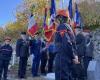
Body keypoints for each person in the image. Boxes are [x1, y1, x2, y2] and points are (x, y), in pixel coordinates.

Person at [54, 9, 79, 80]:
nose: (57, 20)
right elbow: (71, 44)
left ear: (61, 18)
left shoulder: (62, 26)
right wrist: (74, 55)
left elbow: (67, 42)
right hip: (67, 57)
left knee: (62, 77)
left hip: (62, 57)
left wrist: (74, 56)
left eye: (58, 18)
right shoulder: (69, 27)